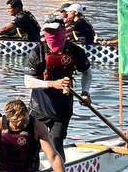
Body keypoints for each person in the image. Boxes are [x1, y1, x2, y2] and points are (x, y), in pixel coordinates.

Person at [25, 15, 90, 155]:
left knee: (56, 141)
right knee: (31, 142)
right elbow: (28, 81)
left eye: (54, 32)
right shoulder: (38, 51)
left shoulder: (75, 51)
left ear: (63, 31)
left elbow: (87, 72)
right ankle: (32, 170)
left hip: (62, 108)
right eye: (48, 32)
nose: (51, 35)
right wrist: (53, 84)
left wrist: (85, 92)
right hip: (38, 107)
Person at [0, 98, 74, 172]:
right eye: (19, 124)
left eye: (25, 120)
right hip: (3, 169)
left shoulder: (37, 126)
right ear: (8, 119)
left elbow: (54, 157)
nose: (24, 125)